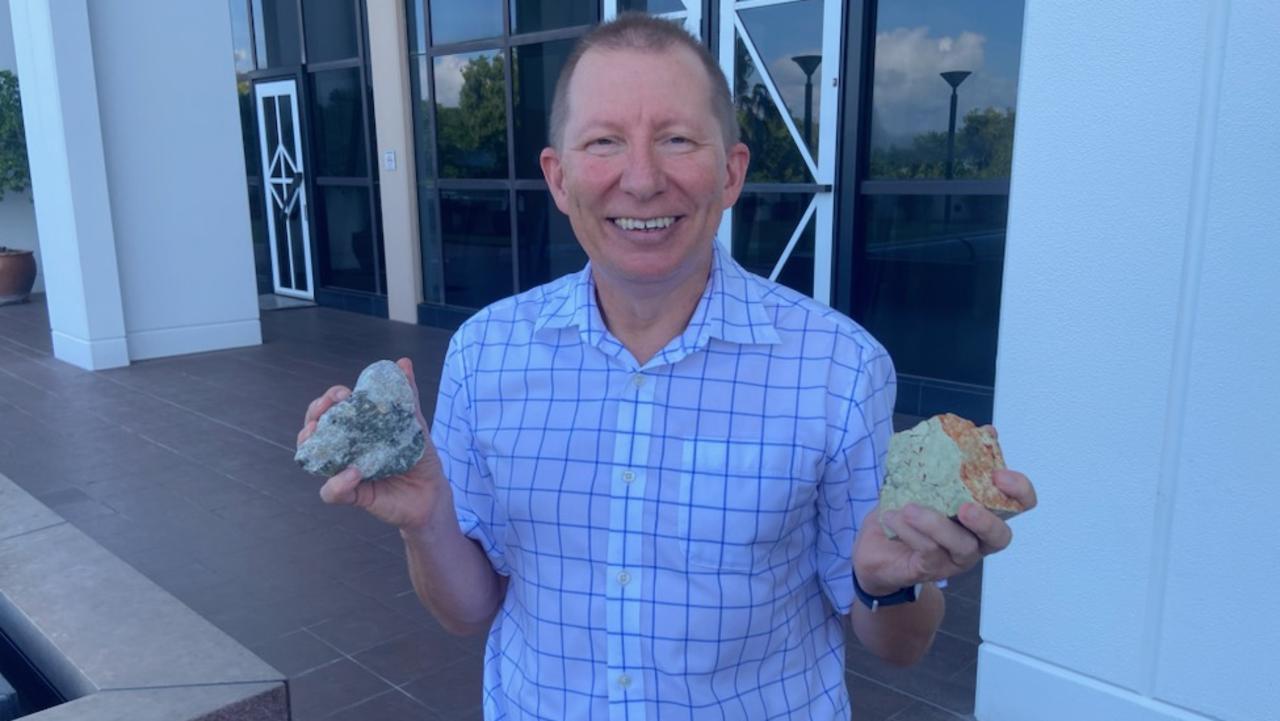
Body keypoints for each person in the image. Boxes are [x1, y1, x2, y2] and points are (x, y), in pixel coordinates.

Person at [297, 13, 1036, 720]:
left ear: (731, 172)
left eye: (678, 139)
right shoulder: (484, 352)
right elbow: (468, 611)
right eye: (604, 142)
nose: (642, 179)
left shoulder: (839, 367)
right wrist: (427, 519)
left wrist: (885, 585)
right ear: (558, 178)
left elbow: (898, 646)